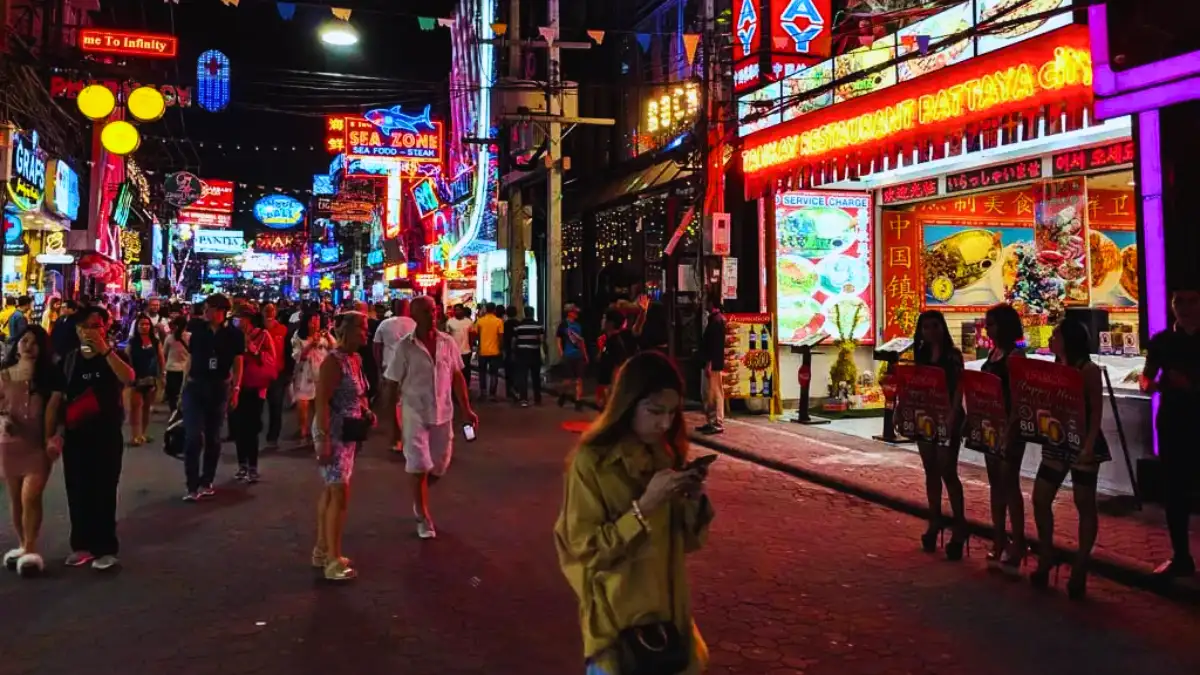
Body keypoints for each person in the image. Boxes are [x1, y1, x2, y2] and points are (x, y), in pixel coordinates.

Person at [554, 350, 714, 675]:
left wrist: (692, 499)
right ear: (628, 405)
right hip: (617, 630)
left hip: (671, 621)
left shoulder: (665, 453)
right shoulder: (592, 463)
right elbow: (586, 551)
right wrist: (643, 508)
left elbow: (689, 542)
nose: (665, 422)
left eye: (672, 412)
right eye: (655, 411)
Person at [45, 306, 135, 570]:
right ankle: (81, 545)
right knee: (78, 490)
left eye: (96, 326)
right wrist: (55, 435)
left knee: (104, 491)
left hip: (106, 435)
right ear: (77, 330)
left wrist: (105, 349)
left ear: (105, 328)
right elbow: (59, 401)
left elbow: (128, 378)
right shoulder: (69, 361)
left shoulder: (113, 355)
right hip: (76, 437)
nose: (90, 331)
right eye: (85, 326)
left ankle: (105, 547)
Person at [383, 296, 478, 540]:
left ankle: (420, 490)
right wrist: (392, 426)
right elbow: (391, 385)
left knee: (439, 465)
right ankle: (423, 515)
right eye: (425, 311)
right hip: (414, 412)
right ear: (414, 316)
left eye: (433, 310)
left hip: (443, 414)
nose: (431, 315)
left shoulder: (447, 343)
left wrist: (467, 409)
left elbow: (457, 377)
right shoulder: (405, 346)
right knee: (418, 465)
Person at [1030, 320, 1110, 599]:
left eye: (1056, 335)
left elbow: (1097, 410)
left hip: (1083, 440)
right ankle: (1046, 553)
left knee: (1084, 503)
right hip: (1057, 438)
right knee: (1040, 497)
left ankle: (1080, 566)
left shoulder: (1087, 370)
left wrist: (1088, 444)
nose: (1051, 339)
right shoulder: (1054, 368)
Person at [1141, 289, 1200, 579]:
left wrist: (1190, 385)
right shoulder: (1162, 341)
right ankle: (1181, 556)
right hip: (1173, 424)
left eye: (1192, 301)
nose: (1185, 307)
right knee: (1174, 492)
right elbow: (1146, 378)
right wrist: (1154, 383)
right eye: (1179, 301)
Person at [312, 311, 373, 582]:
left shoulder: (355, 359)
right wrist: (324, 438)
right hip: (333, 431)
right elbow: (322, 401)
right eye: (361, 328)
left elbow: (356, 393)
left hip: (348, 431)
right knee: (339, 493)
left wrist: (365, 410)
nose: (366, 333)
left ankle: (323, 549)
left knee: (331, 490)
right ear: (344, 331)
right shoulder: (333, 362)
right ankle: (333, 561)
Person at [1, 326, 60, 576]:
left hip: (38, 445)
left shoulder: (49, 378)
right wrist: (3, 419)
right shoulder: (4, 375)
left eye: (35, 343)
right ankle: (23, 545)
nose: (28, 346)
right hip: (9, 444)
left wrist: (55, 437)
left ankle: (31, 549)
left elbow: (56, 412)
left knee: (30, 497)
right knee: (15, 499)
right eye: (24, 341)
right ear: (16, 345)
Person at [910, 310, 968, 559]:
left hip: (947, 417)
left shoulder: (952, 356)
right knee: (930, 470)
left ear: (943, 328)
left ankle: (959, 525)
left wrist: (954, 414)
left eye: (935, 326)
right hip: (926, 417)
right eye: (926, 327)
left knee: (948, 470)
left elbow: (959, 387)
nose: (930, 331)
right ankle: (934, 519)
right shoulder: (921, 354)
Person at [181, 294, 245, 502]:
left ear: (221, 312)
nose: (206, 312)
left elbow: (238, 362)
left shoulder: (234, 334)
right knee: (192, 437)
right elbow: (190, 359)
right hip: (195, 385)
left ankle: (206, 480)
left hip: (219, 387)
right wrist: (182, 388)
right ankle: (191, 485)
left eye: (210, 309)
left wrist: (236, 388)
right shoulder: (197, 330)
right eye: (206, 309)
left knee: (213, 436)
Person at [980, 303, 1028, 575]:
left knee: (1010, 485)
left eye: (993, 323)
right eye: (988, 323)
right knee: (995, 486)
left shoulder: (1015, 356)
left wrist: (1010, 431)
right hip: (990, 426)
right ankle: (999, 538)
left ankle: (1018, 542)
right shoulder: (993, 353)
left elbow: (1020, 397)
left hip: (1010, 427)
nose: (988, 328)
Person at [233, 308, 277, 484]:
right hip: (237, 386)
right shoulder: (233, 335)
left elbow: (271, 359)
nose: (237, 321)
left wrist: (251, 346)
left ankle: (252, 466)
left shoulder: (263, 335)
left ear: (248, 319)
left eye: (240, 318)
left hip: (256, 388)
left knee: (251, 428)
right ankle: (241, 465)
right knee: (238, 428)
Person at [373, 299, 416, 451]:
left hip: (389, 369)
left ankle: (397, 438)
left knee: (392, 405)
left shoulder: (385, 324)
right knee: (409, 405)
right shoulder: (414, 324)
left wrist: (379, 366)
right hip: (410, 370)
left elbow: (376, 347)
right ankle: (406, 437)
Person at [292, 311, 334, 447]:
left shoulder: (323, 336)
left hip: (321, 374)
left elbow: (335, 348)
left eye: (317, 321)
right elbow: (299, 356)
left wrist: (327, 335)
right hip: (304, 374)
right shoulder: (299, 337)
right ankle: (303, 433)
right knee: (302, 405)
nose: (315, 324)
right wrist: (310, 344)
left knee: (320, 406)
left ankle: (318, 434)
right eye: (312, 321)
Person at [125, 314, 165, 446]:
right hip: (136, 378)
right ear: (137, 326)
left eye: (147, 324)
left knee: (147, 407)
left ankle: (143, 433)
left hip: (151, 378)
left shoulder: (155, 341)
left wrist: (163, 375)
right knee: (135, 407)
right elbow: (127, 358)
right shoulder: (132, 342)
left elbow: (160, 358)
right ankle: (135, 435)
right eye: (141, 324)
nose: (144, 327)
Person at [595, 309, 639, 411]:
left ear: (610, 323)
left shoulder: (615, 342)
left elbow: (618, 366)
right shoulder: (608, 339)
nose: (602, 321)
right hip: (605, 386)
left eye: (604, 318)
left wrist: (614, 390)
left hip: (610, 387)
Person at [696, 299, 726, 435]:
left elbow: (715, 346)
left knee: (714, 392)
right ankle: (711, 421)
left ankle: (717, 422)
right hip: (711, 362)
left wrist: (710, 363)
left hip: (713, 364)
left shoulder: (716, 322)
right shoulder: (714, 320)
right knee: (708, 393)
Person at [262, 302, 289, 449]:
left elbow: (288, 351)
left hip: (277, 374)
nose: (269, 313)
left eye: (272, 310)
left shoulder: (283, 330)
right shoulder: (257, 330)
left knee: (276, 406)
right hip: (259, 375)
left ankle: (273, 436)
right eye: (267, 310)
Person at [557, 304, 587, 411]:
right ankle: (563, 395)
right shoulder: (564, 325)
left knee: (579, 380)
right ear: (569, 313)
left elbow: (581, 341)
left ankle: (578, 402)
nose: (576, 314)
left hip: (578, 355)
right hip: (568, 355)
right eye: (574, 312)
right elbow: (559, 339)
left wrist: (585, 355)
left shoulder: (579, 325)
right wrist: (561, 352)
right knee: (568, 381)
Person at [513, 306, 546, 406]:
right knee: (535, 377)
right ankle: (537, 399)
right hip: (534, 353)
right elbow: (541, 340)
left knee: (523, 377)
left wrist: (514, 351)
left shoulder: (518, 326)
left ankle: (524, 399)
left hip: (522, 354)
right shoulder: (538, 326)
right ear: (532, 313)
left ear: (524, 313)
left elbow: (514, 341)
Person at [475, 303, 505, 401]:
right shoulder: (499, 321)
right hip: (495, 351)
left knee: (482, 373)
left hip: (483, 351)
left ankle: (483, 393)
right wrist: (501, 348)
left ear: (486, 309)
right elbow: (500, 337)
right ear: (494, 310)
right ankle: (492, 394)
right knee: (493, 373)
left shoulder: (480, 321)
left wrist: (478, 347)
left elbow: (477, 335)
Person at [446, 305, 475, 390]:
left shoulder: (469, 322)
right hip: (454, 351)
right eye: (455, 310)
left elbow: (471, 336)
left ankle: (466, 388)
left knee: (466, 371)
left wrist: (471, 348)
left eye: (459, 310)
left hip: (466, 351)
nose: (457, 312)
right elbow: (448, 336)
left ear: (462, 311)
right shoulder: (450, 322)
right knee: (455, 371)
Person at [163, 317, 189, 413]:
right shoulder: (190, 337)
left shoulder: (169, 338)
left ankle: (174, 413)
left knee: (172, 394)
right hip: (186, 369)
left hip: (172, 369)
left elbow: (164, 354)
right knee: (184, 392)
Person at [503, 305, 521, 401]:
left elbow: (503, 338)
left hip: (508, 351)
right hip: (518, 351)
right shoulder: (519, 324)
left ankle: (509, 391)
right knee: (517, 371)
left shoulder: (505, 324)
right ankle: (516, 389)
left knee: (508, 372)